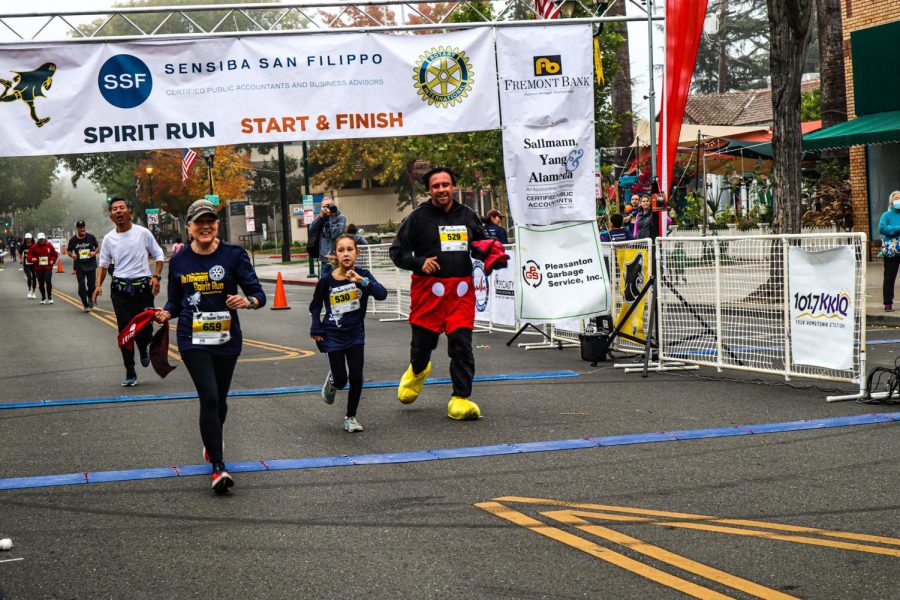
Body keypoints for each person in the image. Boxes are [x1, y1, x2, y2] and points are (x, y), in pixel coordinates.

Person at [154, 199, 266, 494]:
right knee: (210, 397)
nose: (205, 226)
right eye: (199, 222)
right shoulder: (179, 260)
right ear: (188, 227)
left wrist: (247, 301)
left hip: (227, 339)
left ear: (217, 225)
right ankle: (218, 467)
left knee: (222, 399)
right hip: (193, 339)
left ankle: (212, 440)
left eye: (211, 221)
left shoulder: (234, 255)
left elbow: (258, 294)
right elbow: (175, 300)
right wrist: (166, 312)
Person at [389, 167, 487, 420]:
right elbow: (397, 252)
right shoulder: (418, 218)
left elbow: (481, 246)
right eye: (436, 186)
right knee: (422, 347)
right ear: (429, 190)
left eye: (445, 184)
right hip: (428, 294)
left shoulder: (467, 215)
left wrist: (490, 254)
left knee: (462, 346)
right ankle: (417, 371)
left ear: (453, 186)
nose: (441, 189)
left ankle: (461, 399)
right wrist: (419, 262)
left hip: (460, 294)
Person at [309, 233, 387, 432]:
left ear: (357, 252)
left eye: (350, 249)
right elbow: (315, 306)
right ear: (335, 254)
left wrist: (362, 281)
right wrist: (316, 327)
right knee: (342, 380)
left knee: (357, 377)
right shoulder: (327, 281)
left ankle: (351, 417)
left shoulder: (363, 275)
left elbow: (382, 294)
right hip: (332, 335)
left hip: (355, 335)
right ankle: (334, 380)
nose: (346, 254)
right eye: (341, 250)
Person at [93, 197, 165, 387]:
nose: (118, 211)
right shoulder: (109, 238)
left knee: (144, 328)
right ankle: (130, 371)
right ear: (111, 216)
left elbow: (159, 256)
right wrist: (98, 285)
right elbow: (103, 264)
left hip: (143, 288)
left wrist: (156, 277)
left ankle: (143, 347)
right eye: (114, 209)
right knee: (125, 332)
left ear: (129, 212)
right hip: (120, 290)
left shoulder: (143, 233)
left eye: (122, 208)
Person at [308, 197, 346, 278]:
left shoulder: (340, 218)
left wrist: (332, 216)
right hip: (324, 258)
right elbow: (311, 229)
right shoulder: (322, 218)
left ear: (334, 205)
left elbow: (334, 234)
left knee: (336, 283)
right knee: (324, 285)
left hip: (336, 258)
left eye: (329, 205)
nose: (327, 208)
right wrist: (321, 216)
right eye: (325, 206)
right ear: (322, 208)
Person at [67, 220, 100, 312]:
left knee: (91, 286)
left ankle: (90, 298)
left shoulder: (91, 237)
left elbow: (97, 247)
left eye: (83, 227)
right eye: (80, 227)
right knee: (81, 287)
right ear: (77, 228)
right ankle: (85, 304)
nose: (82, 229)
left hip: (91, 264)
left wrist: (95, 252)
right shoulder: (73, 240)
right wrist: (72, 255)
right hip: (79, 265)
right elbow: (69, 251)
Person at [878, 190, 900, 311]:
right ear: (892, 201)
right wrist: (897, 229)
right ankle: (888, 303)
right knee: (889, 277)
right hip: (892, 250)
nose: (898, 200)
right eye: (896, 198)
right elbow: (882, 228)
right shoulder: (886, 215)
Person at [26, 232, 58, 304]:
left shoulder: (49, 245)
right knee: (41, 283)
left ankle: (49, 297)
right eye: (40, 239)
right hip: (38, 268)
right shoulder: (34, 246)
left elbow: (55, 254)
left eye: (42, 239)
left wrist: (52, 260)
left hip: (48, 268)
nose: (41, 240)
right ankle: (43, 297)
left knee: (48, 281)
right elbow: (29, 255)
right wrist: (32, 259)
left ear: (44, 238)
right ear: (38, 239)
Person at [20, 233, 37, 297]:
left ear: (31, 238)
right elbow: (20, 253)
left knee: (34, 277)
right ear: (25, 239)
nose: (28, 239)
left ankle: (34, 292)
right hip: (26, 264)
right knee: (29, 277)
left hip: (34, 264)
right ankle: (29, 291)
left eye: (29, 238)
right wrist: (20, 259)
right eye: (27, 238)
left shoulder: (34, 245)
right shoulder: (23, 246)